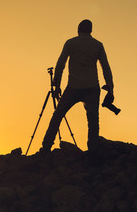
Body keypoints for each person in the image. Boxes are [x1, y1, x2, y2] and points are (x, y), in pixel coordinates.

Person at [40, 19, 114, 154]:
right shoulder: (98, 45)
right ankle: (93, 151)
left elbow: (60, 64)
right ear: (91, 30)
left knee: (57, 115)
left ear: (78, 29)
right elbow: (105, 67)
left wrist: (56, 85)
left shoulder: (71, 43)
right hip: (92, 87)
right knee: (93, 120)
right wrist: (111, 87)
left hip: (73, 87)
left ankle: (46, 147)